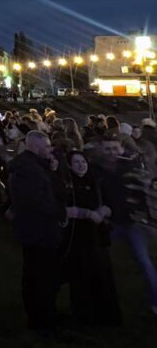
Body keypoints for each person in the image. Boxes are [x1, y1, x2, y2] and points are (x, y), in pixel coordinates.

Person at [8, 131, 67, 335]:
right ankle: (42, 319)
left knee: (37, 274)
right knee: (41, 276)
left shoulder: (33, 167)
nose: (50, 149)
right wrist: (62, 212)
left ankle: (41, 315)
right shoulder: (29, 170)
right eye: (47, 146)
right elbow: (36, 201)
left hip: (36, 229)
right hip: (39, 230)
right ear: (35, 147)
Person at [96, 135, 157, 315]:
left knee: (144, 261)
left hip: (133, 223)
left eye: (115, 148)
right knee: (95, 257)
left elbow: (145, 193)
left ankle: (155, 300)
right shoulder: (97, 169)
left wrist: (149, 219)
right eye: (107, 149)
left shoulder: (131, 167)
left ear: (121, 149)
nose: (111, 153)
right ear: (101, 150)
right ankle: (101, 297)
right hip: (109, 223)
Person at [63, 150, 120, 326]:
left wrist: (104, 210)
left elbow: (110, 204)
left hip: (97, 236)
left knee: (102, 273)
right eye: (76, 162)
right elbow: (65, 209)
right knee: (81, 276)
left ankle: (107, 314)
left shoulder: (96, 181)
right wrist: (87, 214)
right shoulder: (67, 184)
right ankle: (84, 316)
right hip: (78, 237)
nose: (81, 165)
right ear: (70, 165)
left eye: (83, 162)